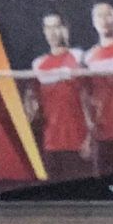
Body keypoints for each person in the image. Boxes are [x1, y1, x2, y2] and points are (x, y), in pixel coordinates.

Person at [26, 11, 90, 169]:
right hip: (51, 143)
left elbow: (90, 97)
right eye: (48, 28)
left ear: (65, 28)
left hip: (79, 142)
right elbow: (32, 104)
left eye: (56, 27)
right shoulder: (38, 64)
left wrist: (89, 137)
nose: (53, 33)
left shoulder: (79, 57)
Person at [80, 1, 113, 169]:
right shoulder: (88, 57)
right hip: (102, 133)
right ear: (93, 21)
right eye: (99, 16)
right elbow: (85, 95)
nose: (104, 20)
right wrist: (89, 134)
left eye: (108, 14)